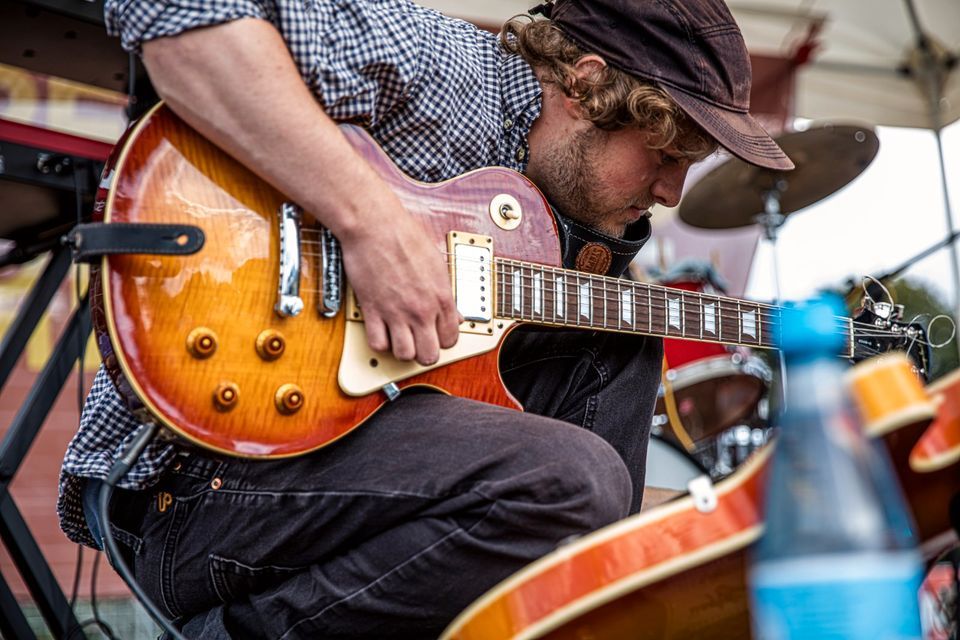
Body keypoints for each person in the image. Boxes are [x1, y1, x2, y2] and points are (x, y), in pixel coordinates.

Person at [58, 0, 793, 637]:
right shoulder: (433, 65)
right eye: (663, 151)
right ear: (587, 83)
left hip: (343, 483)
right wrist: (368, 222)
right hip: (200, 481)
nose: (671, 190)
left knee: (620, 340)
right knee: (572, 478)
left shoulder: (580, 233)